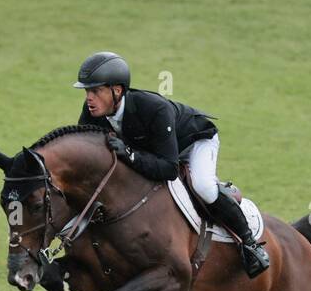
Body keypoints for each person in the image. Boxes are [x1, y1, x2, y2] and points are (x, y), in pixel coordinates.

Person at [74, 51, 269, 278]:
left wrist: (128, 153)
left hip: (194, 143)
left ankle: (250, 244)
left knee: (203, 186)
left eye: (95, 91)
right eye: (88, 91)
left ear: (116, 91)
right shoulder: (92, 114)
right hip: (156, 150)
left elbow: (168, 169)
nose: (89, 97)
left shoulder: (154, 108)